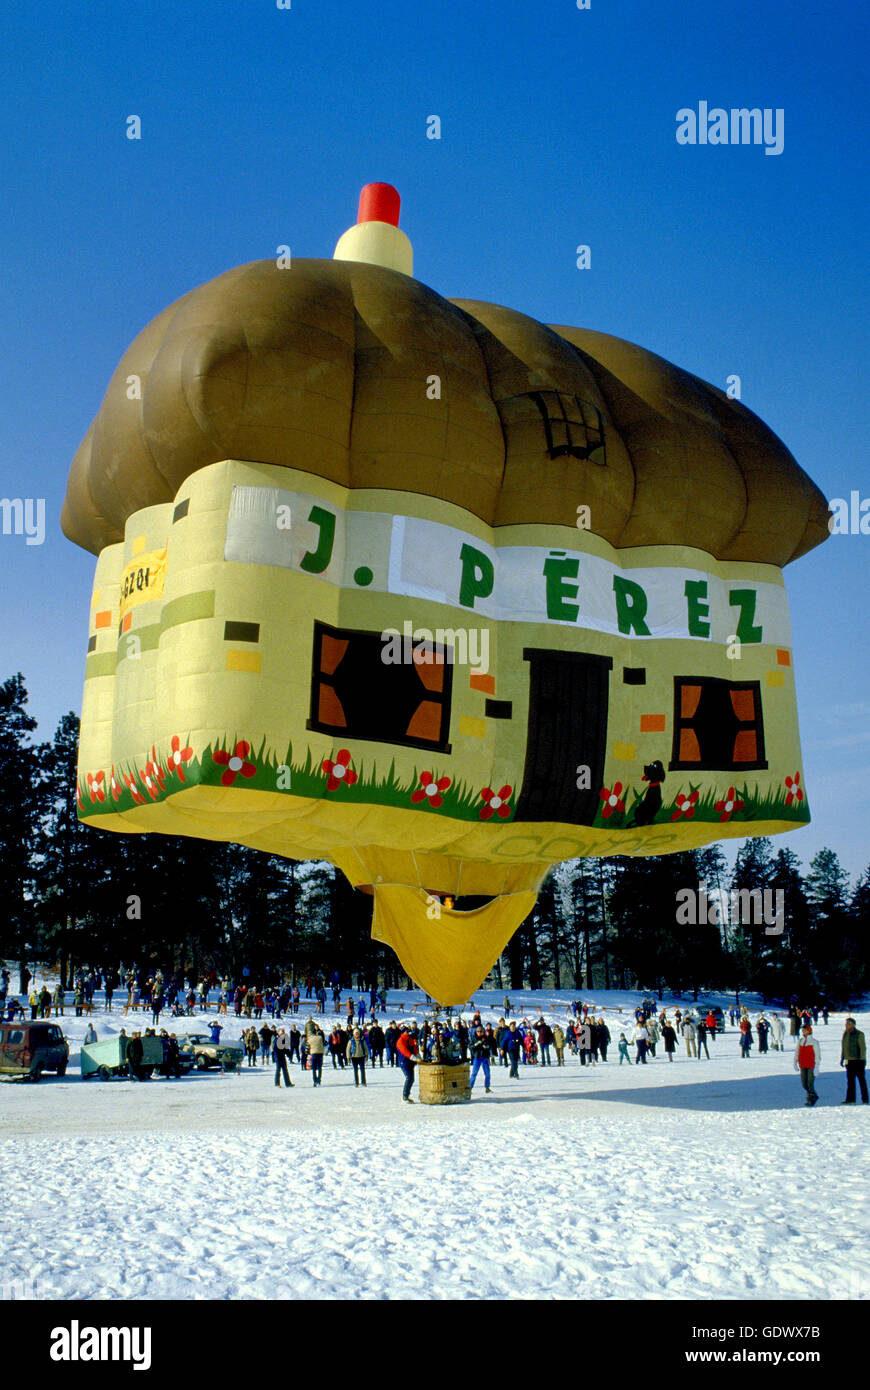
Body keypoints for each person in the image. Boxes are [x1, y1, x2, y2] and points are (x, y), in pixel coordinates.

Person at [839, 1017, 868, 1105]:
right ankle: (850, 1100)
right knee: (850, 1081)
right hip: (849, 1061)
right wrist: (842, 1058)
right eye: (846, 1024)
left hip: (858, 1061)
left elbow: (863, 1048)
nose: (846, 1026)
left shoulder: (859, 1034)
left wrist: (863, 1060)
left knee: (861, 1081)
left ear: (852, 1025)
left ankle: (865, 1099)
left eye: (848, 1024)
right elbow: (844, 1047)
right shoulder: (845, 1034)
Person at [794, 1024, 821, 1106]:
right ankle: (813, 1095)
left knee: (810, 1082)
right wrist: (795, 1061)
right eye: (802, 1030)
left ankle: (810, 1098)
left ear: (809, 1031)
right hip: (803, 1064)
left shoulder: (814, 1042)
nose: (803, 1032)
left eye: (805, 1030)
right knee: (804, 1083)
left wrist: (817, 1065)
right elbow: (797, 1052)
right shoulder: (801, 1041)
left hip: (811, 1065)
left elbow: (817, 1054)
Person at [396, 1025, 420, 1103]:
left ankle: (407, 1095)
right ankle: (405, 1096)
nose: (408, 1032)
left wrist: (417, 1054)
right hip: (404, 1061)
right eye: (406, 1031)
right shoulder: (400, 1041)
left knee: (412, 1079)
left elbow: (414, 1048)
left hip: (410, 1062)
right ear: (403, 1032)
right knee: (409, 1077)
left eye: (408, 1031)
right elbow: (404, 1051)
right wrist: (412, 1056)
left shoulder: (410, 1039)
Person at [469, 1026, 493, 1094]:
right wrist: (475, 1045)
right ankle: (470, 1088)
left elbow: (490, 1045)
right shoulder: (474, 1038)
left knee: (487, 1073)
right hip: (477, 1058)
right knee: (474, 1073)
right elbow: (470, 1046)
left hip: (485, 1057)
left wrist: (487, 1047)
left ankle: (487, 1087)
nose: (479, 1033)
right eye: (478, 1031)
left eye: (481, 1031)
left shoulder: (486, 1038)